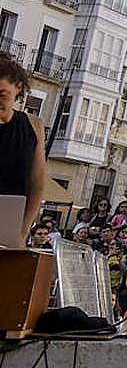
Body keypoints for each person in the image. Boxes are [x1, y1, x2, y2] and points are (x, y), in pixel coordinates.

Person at [0, 54, 45, 235]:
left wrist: (23, 231)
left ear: (18, 87)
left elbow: (37, 183)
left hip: (9, 227)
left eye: (2, 95)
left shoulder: (34, 126)